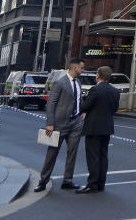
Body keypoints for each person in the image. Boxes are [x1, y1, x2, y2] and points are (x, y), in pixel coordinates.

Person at [35, 58, 85, 192]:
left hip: (76, 123)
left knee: (72, 152)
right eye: (81, 68)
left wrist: (82, 112)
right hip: (59, 124)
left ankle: (68, 180)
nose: (82, 70)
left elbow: (78, 99)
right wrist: (50, 123)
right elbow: (51, 103)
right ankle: (43, 180)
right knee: (52, 153)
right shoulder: (60, 83)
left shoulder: (78, 82)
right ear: (75, 68)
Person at [76, 65, 119, 194]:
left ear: (98, 76)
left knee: (93, 156)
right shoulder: (114, 91)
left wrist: (82, 100)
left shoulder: (95, 90)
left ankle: (92, 184)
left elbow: (85, 107)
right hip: (107, 127)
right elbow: (115, 109)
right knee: (103, 155)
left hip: (94, 127)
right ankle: (101, 183)